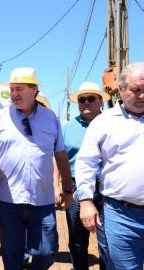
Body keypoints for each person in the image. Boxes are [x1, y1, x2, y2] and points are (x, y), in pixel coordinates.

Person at [0, 67, 73, 270]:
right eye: (11, 89)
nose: (14, 94)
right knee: (12, 257)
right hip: (9, 201)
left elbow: (60, 154)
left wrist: (68, 188)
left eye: (19, 89)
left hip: (42, 200)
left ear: (34, 90)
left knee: (47, 252)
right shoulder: (0, 118)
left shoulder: (50, 118)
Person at [75, 62, 144, 270]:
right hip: (122, 216)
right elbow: (86, 163)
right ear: (121, 90)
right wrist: (86, 201)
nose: (142, 96)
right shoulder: (103, 122)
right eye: (136, 90)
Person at [55, 82, 110, 270]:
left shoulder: (112, 124)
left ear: (100, 101)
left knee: (108, 242)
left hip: (106, 190)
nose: (85, 102)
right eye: (81, 99)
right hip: (75, 188)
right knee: (77, 241)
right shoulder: (67, 127)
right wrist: (57, 185)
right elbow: (57, 157)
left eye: (90, 98)